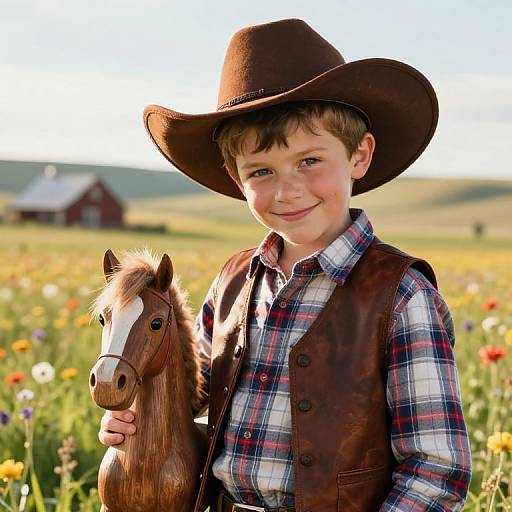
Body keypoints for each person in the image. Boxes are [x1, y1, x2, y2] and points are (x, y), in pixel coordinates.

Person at [98, 18, 472, 511]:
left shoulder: (401, 298)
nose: (287, 189)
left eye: (310, 161)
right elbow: (194, 406)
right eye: (262, 171)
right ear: (236, 178)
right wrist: (137, 422)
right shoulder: (232, 283)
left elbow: (435, 472)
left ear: (359, 155)